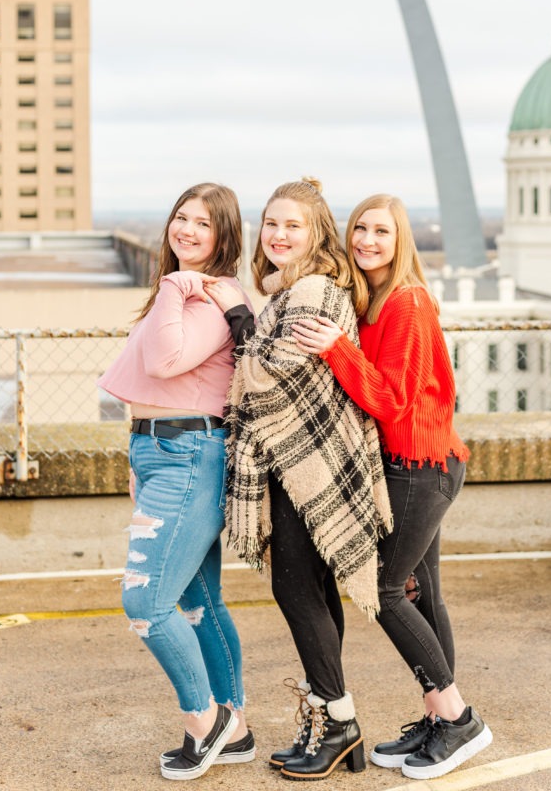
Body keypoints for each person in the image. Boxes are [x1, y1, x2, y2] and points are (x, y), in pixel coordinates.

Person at [292, 194, 492, 781]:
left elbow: (389, 398)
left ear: (401, 240)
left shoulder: (406, 303)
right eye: (360, 229)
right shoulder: (372, 302)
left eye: (382, 231)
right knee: (424, 593)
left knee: (383, 590)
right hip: (412, 463)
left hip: (419, 465)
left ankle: (458, 720)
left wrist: (334, 347)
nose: (368, 240)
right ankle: (438, 716)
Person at [204, 178, 392, 781]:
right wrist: (255, 327)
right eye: (272, 223)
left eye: (294, 226)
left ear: (316, 235)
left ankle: (338, 722)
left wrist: (239, 323)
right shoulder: (295, 290)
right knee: (310, 593)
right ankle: (333, 722)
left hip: (309, 467)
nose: (279, 235)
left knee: (297, 592)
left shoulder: (311, 289)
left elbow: (268, 376)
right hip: (302, 467)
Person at [97, 182, 255, 782]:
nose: (187, 230)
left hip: (191, 454)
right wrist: (138, 461)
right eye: (181, 218)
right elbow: (149, 389)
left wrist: (172, 285)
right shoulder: (190, 292)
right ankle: (234, 730)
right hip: (162, 451)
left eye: (203, 224)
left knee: (145, 600)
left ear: (223, 238)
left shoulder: (210, 296)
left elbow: (164, 363)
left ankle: (205, 721)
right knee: (197, 600)